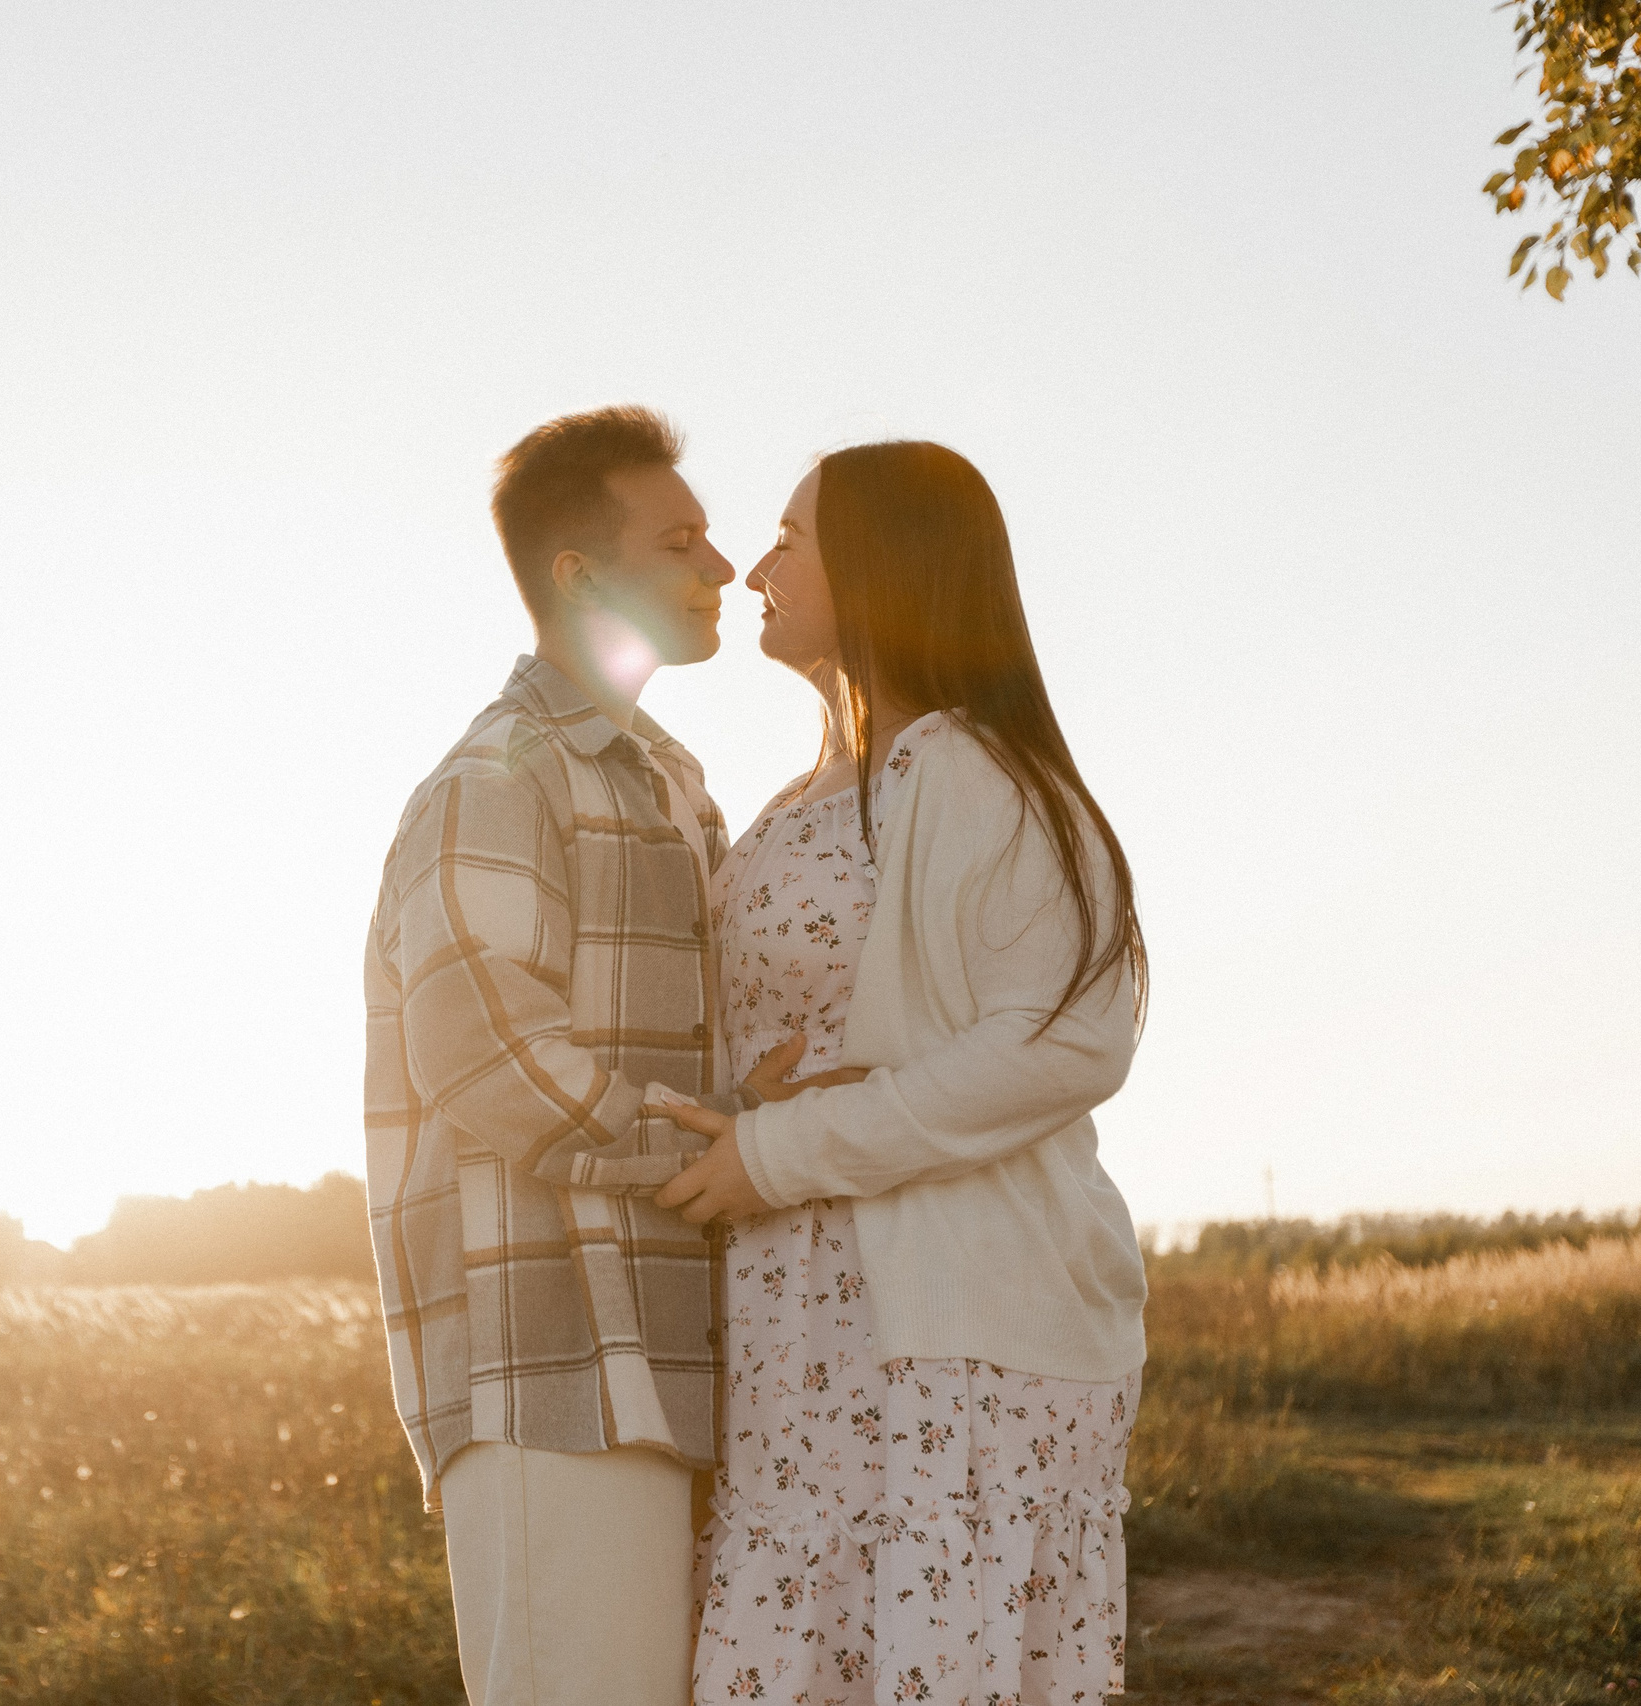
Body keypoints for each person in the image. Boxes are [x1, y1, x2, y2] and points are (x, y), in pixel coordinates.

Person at [653, 441, 1151, 1705]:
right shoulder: (795, 798)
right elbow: (843, 1034)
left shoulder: (968, 768)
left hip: (948, 1341)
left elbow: (1066, 1037)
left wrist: (775, 1152)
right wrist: (743, 1114)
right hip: (803, 1326)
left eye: (788, 534)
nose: (754, 565)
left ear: (880, 567)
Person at [362, 406, 800, 1706]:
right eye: (680, 540)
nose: (721, 567)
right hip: (549, 1361)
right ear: (580, 574)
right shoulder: (497, 777)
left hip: (678, 1354)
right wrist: (726, 1154)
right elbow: (488, 1056)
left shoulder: (671, 780)